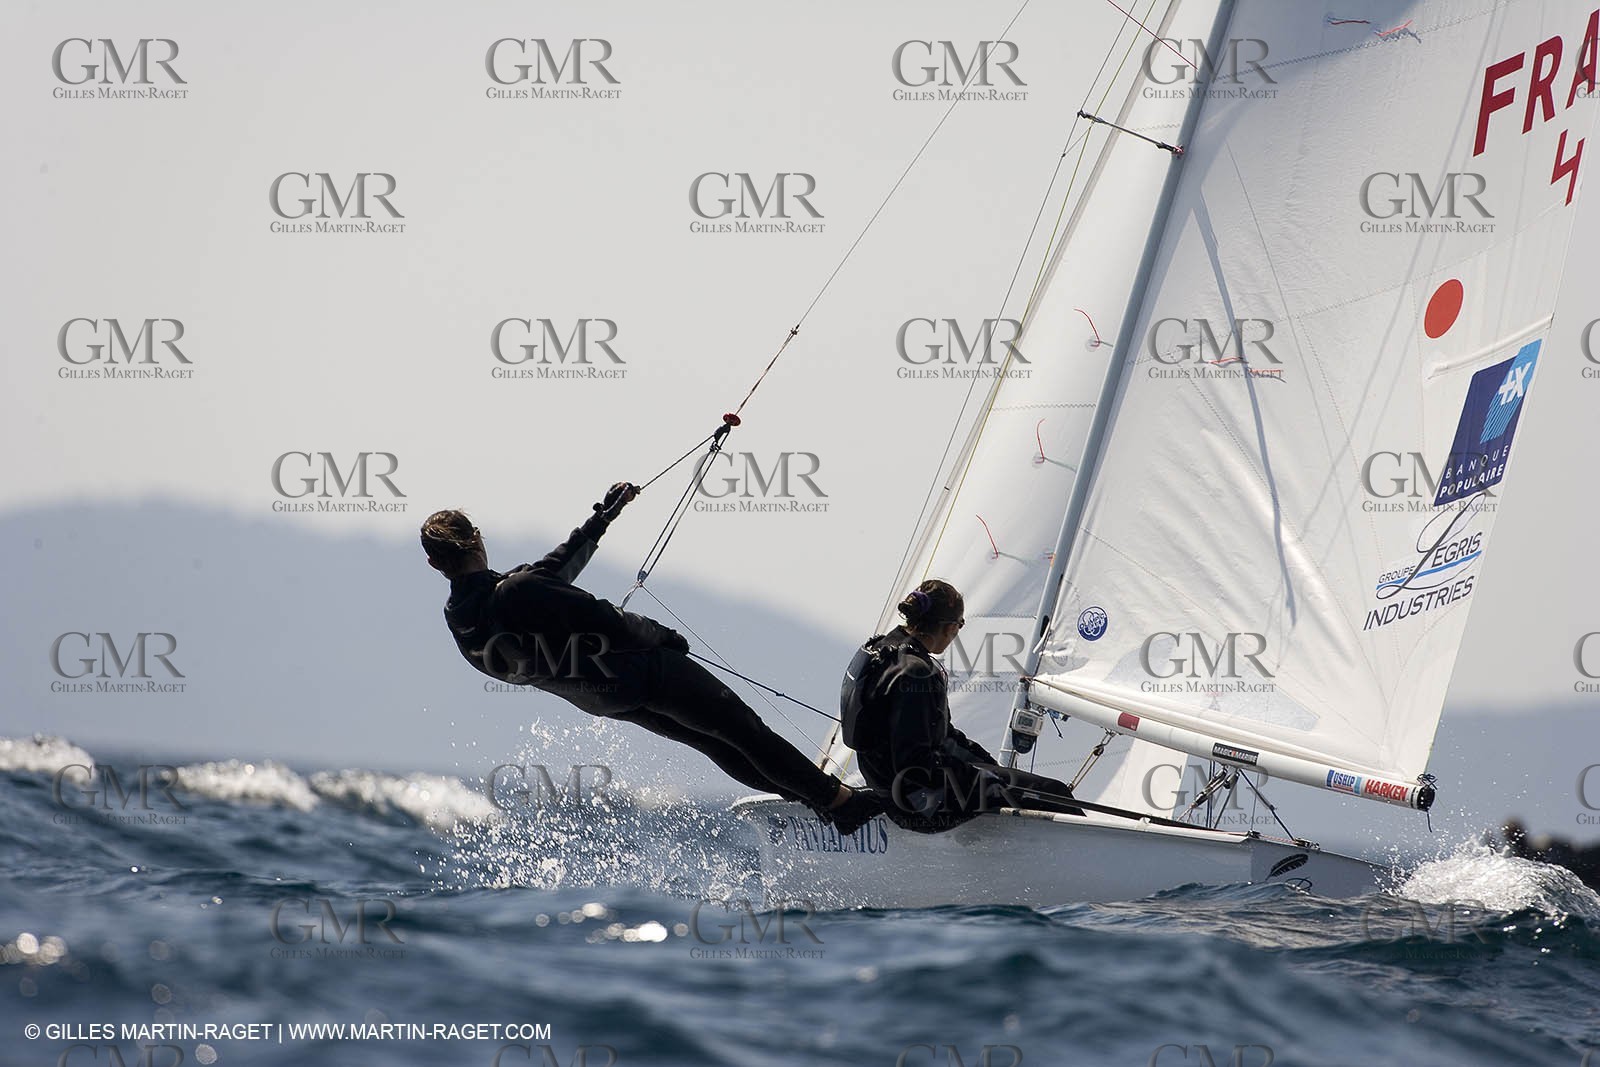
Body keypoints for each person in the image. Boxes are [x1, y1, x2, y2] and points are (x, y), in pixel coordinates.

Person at [422, 483, 884, 835]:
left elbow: (548, 574)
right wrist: (663, 636)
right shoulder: (516, 591)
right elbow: (605, 618)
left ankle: (816, 800)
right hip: (642, 670)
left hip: (605, 699)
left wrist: (601, 519)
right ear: (477, 539)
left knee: (717, 743)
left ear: (434, 564)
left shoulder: (463, 620)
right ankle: (840, 804)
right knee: (743, 729)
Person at [839, 579, 1080, 832]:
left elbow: (941, 739)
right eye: (960, 625)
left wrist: (991, 769)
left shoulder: (878, 650)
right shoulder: (916, 673)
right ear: (951, 626)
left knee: (1009, 782)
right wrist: (980, 778)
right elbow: (915, 764)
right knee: (1054, 793)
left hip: (891, 791)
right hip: (920, 807)